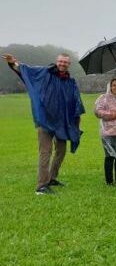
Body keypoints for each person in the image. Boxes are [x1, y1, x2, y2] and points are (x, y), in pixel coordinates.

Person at [3, 53, 85, 195]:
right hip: (45, 119)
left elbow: (75, 104)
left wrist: (76, 123)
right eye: (60, 61)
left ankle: (52, 178)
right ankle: (41, 186)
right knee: (45, 152)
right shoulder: (45, 73)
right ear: (56, 61)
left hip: (61, 122)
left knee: (61, 151)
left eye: (65, 62)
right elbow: (26, 71)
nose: (62, 64)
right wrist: (12, 63)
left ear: (69, 64)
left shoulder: (70, 82)